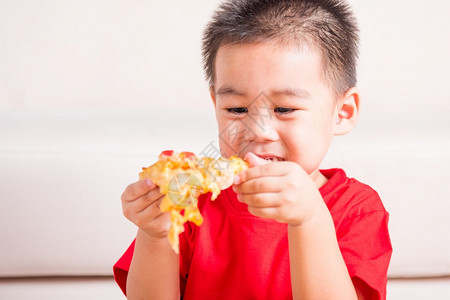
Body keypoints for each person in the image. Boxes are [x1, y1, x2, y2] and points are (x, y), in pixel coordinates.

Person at [114, 0, 392, 299]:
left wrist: (310, 219)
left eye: (284, 108)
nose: (258, 131)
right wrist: (154, 234)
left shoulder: (356, 209)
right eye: (236, 108)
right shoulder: (192, 204)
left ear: (343, 112)